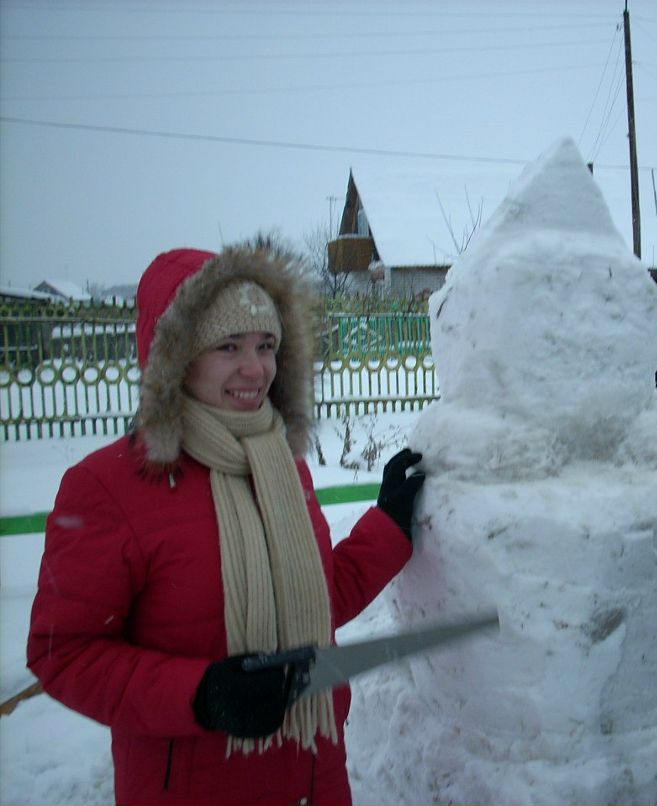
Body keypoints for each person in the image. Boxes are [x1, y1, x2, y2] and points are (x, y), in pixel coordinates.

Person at [27, 243, 425, 805]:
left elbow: (314, 598)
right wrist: (203, 694)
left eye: (266, 346)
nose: (254, 368)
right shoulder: (109, 488)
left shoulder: (282, 465)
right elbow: (62, 654)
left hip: (314, 778)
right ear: (175, 358)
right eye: (228, 346)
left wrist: (389, 525)